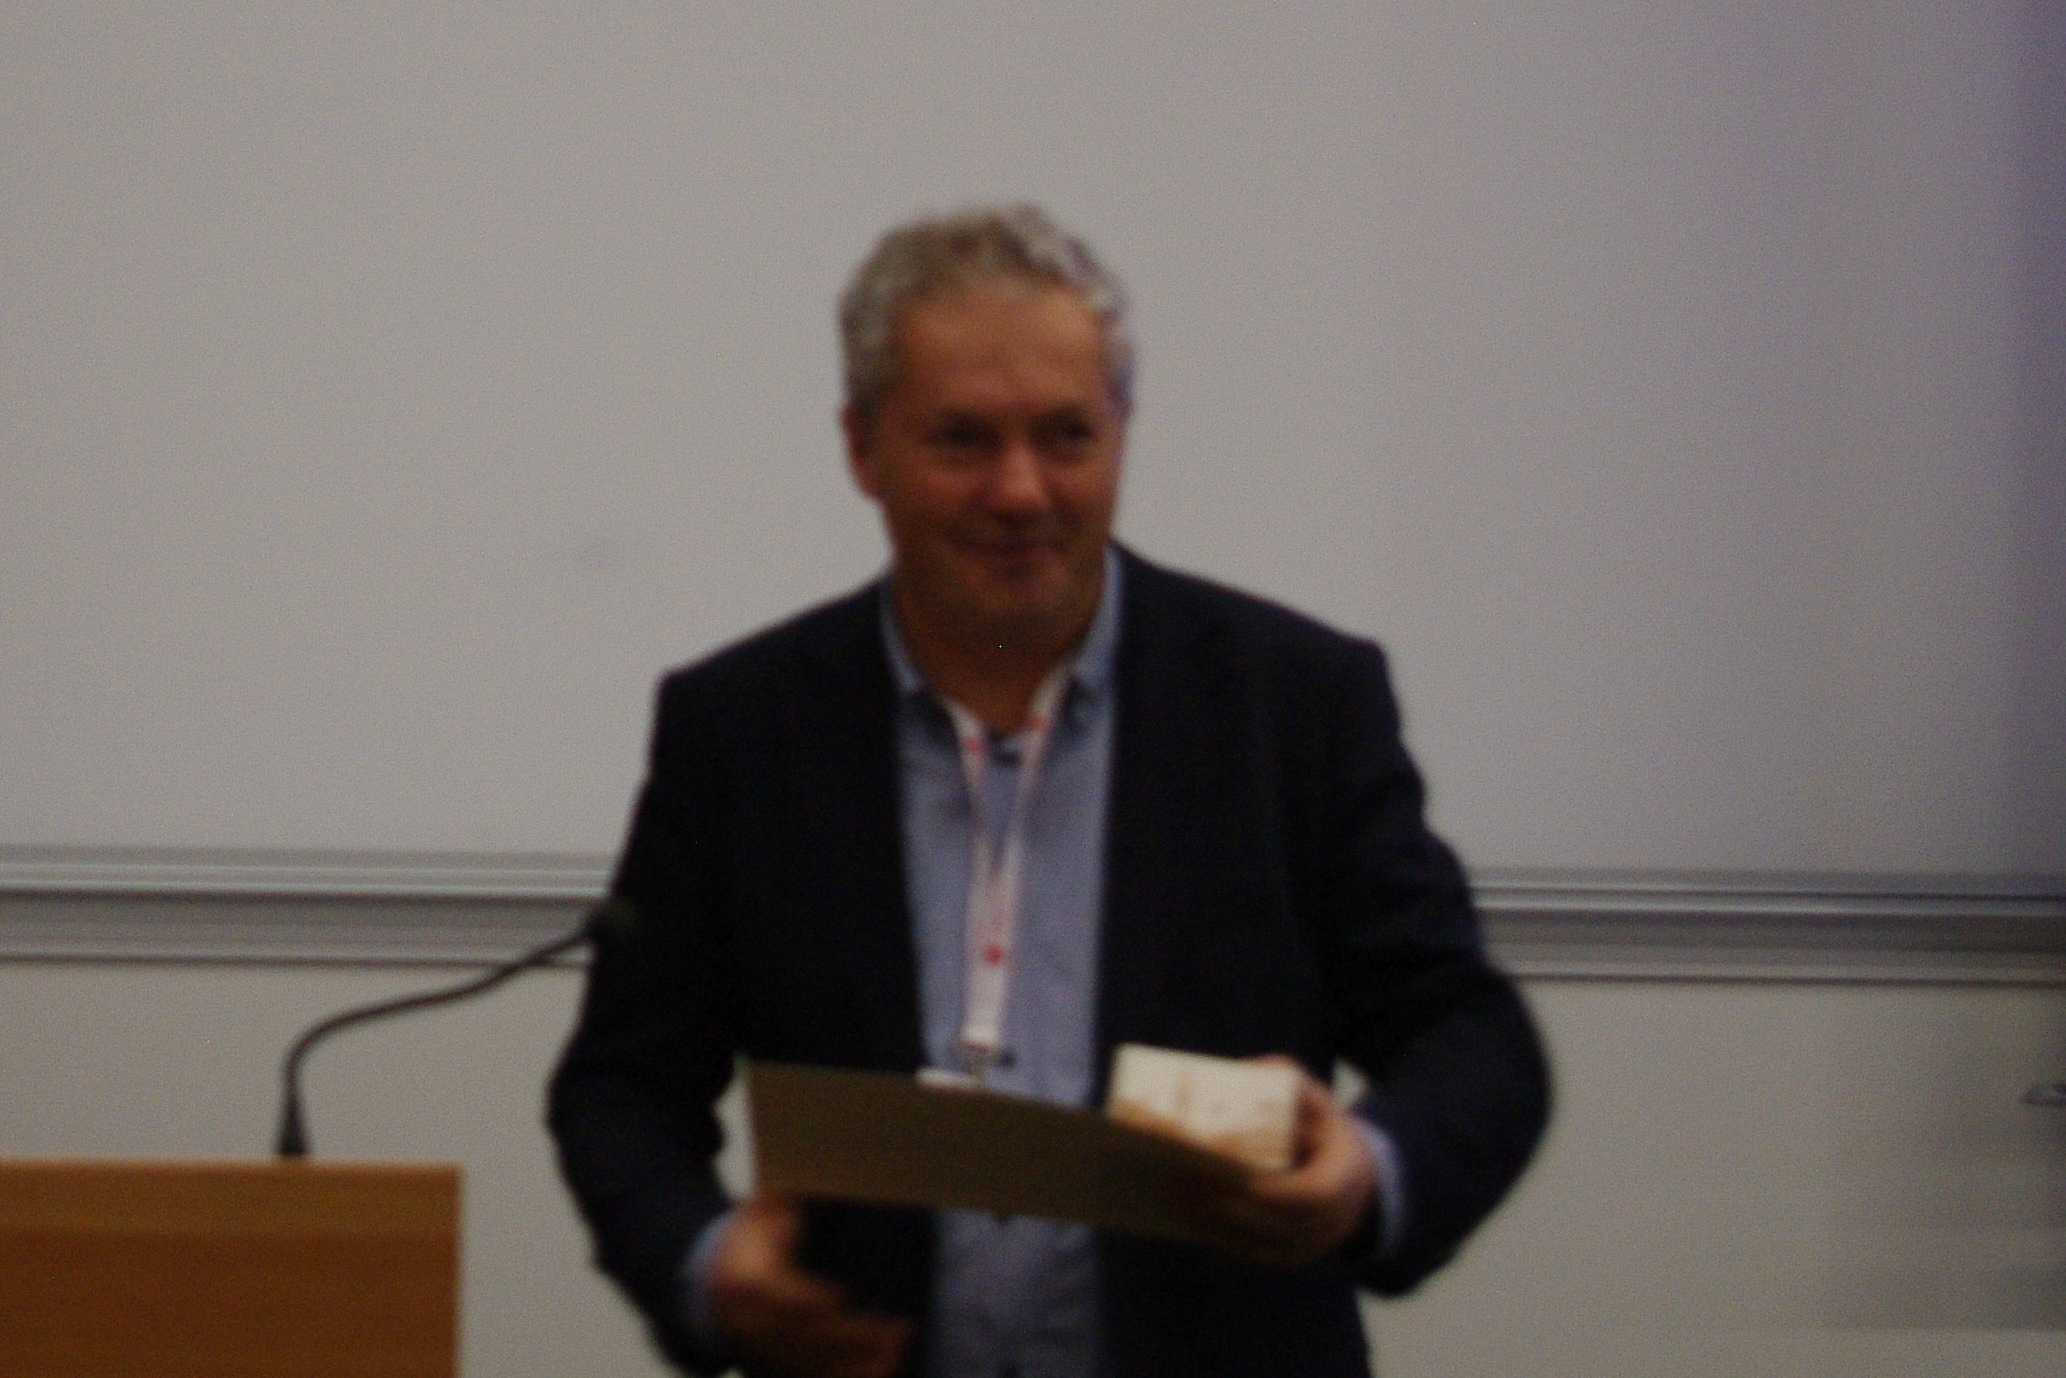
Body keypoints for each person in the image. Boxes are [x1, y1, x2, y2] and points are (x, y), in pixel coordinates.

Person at [549, 204, 1549, 1378]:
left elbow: (1469, 1034)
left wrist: (1363, 1173)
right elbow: (623, 1086)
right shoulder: (745, 729)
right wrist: (707, 1262)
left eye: (1066, 436)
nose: (1020, 490)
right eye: (962, 440)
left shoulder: (1291, 706)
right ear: (862, 449)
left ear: (1121, 434)